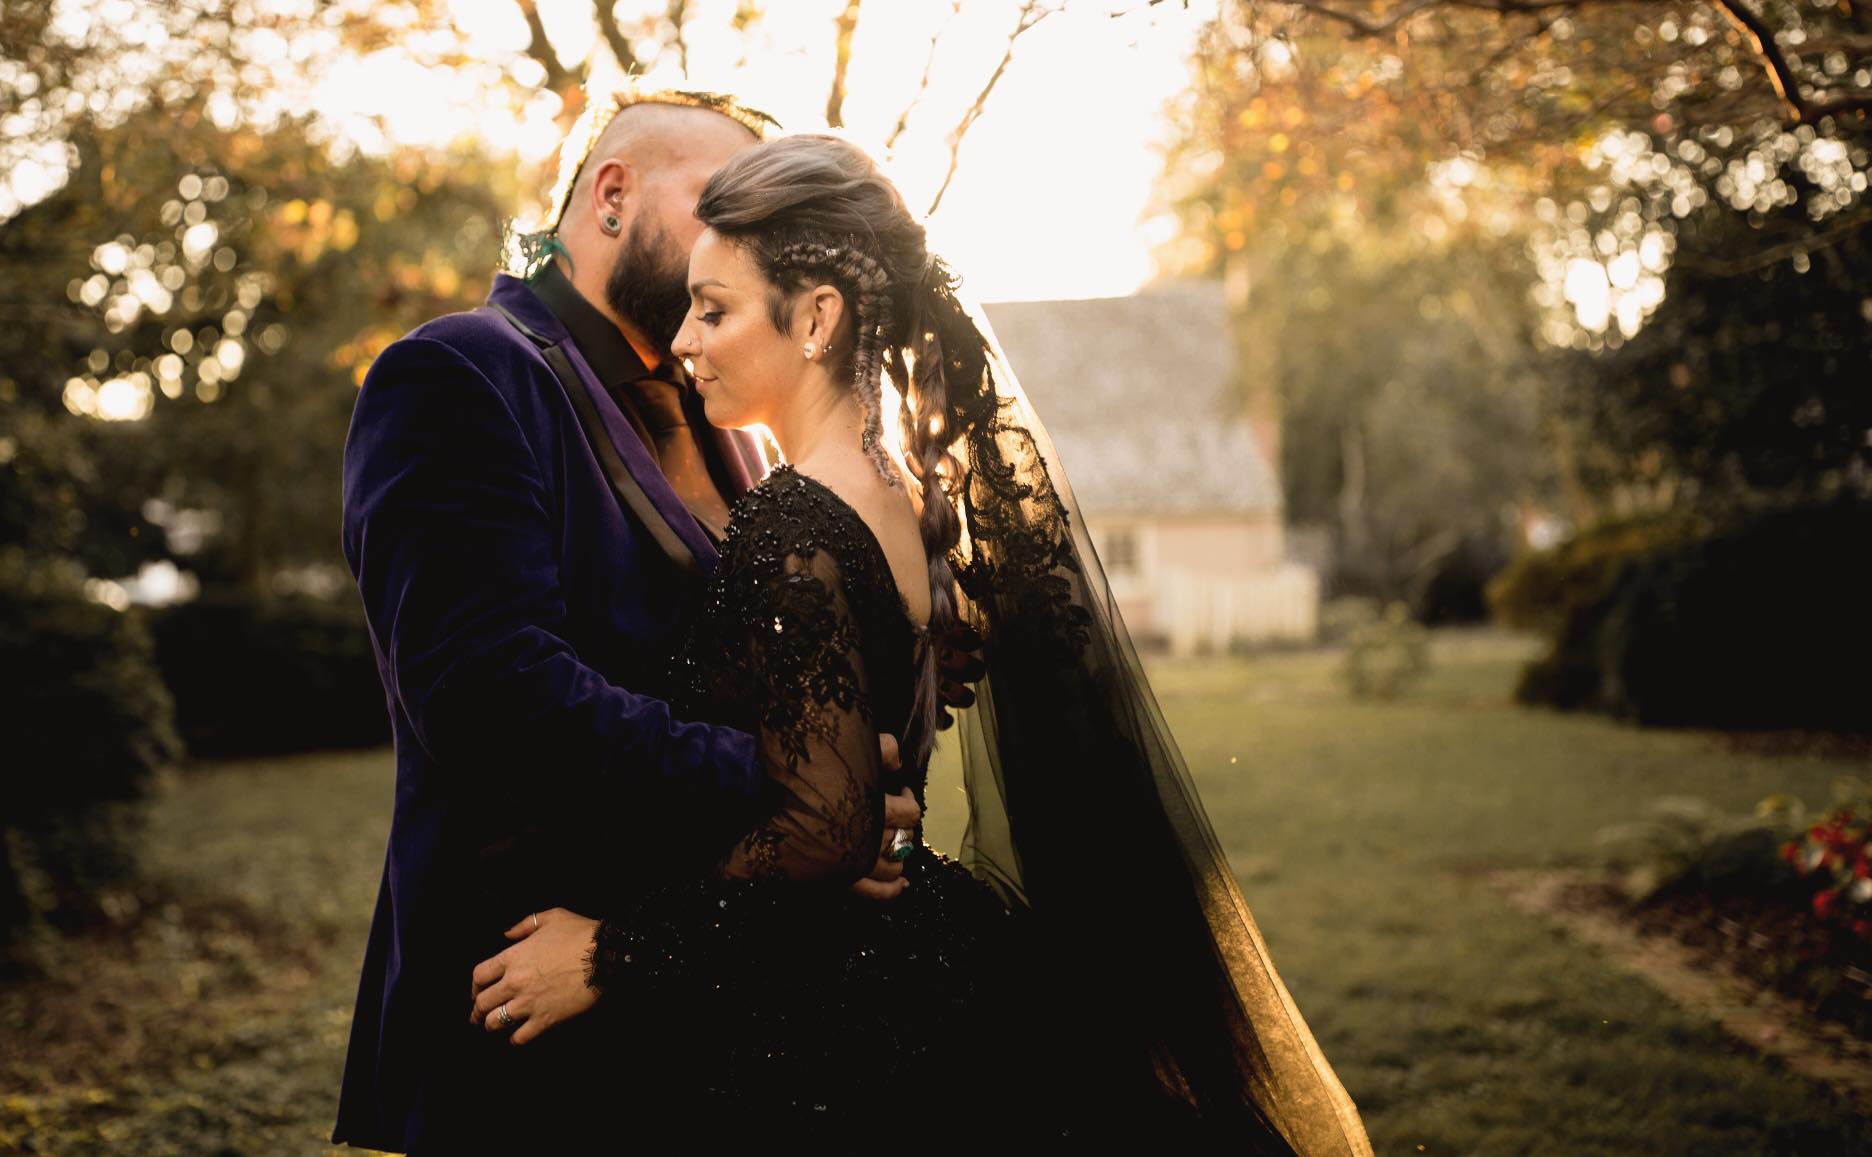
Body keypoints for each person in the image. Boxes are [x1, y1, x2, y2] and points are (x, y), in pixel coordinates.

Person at [468, 133, 1379, 1152]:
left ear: (815, 317)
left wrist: (614, 953)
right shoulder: (906, 498)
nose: (683, 339)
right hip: (921, 955)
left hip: (828, 1026)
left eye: (714, 309)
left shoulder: (794, 524)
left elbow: (826, 828)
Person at [331, 90, 924, 1152]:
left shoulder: (727, 412)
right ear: (612, 195)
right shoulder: (459, 374)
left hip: (702, 1017)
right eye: (719, 207)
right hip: (523, 1018)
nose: (746, 244)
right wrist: (801, 786)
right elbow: (492, 697)